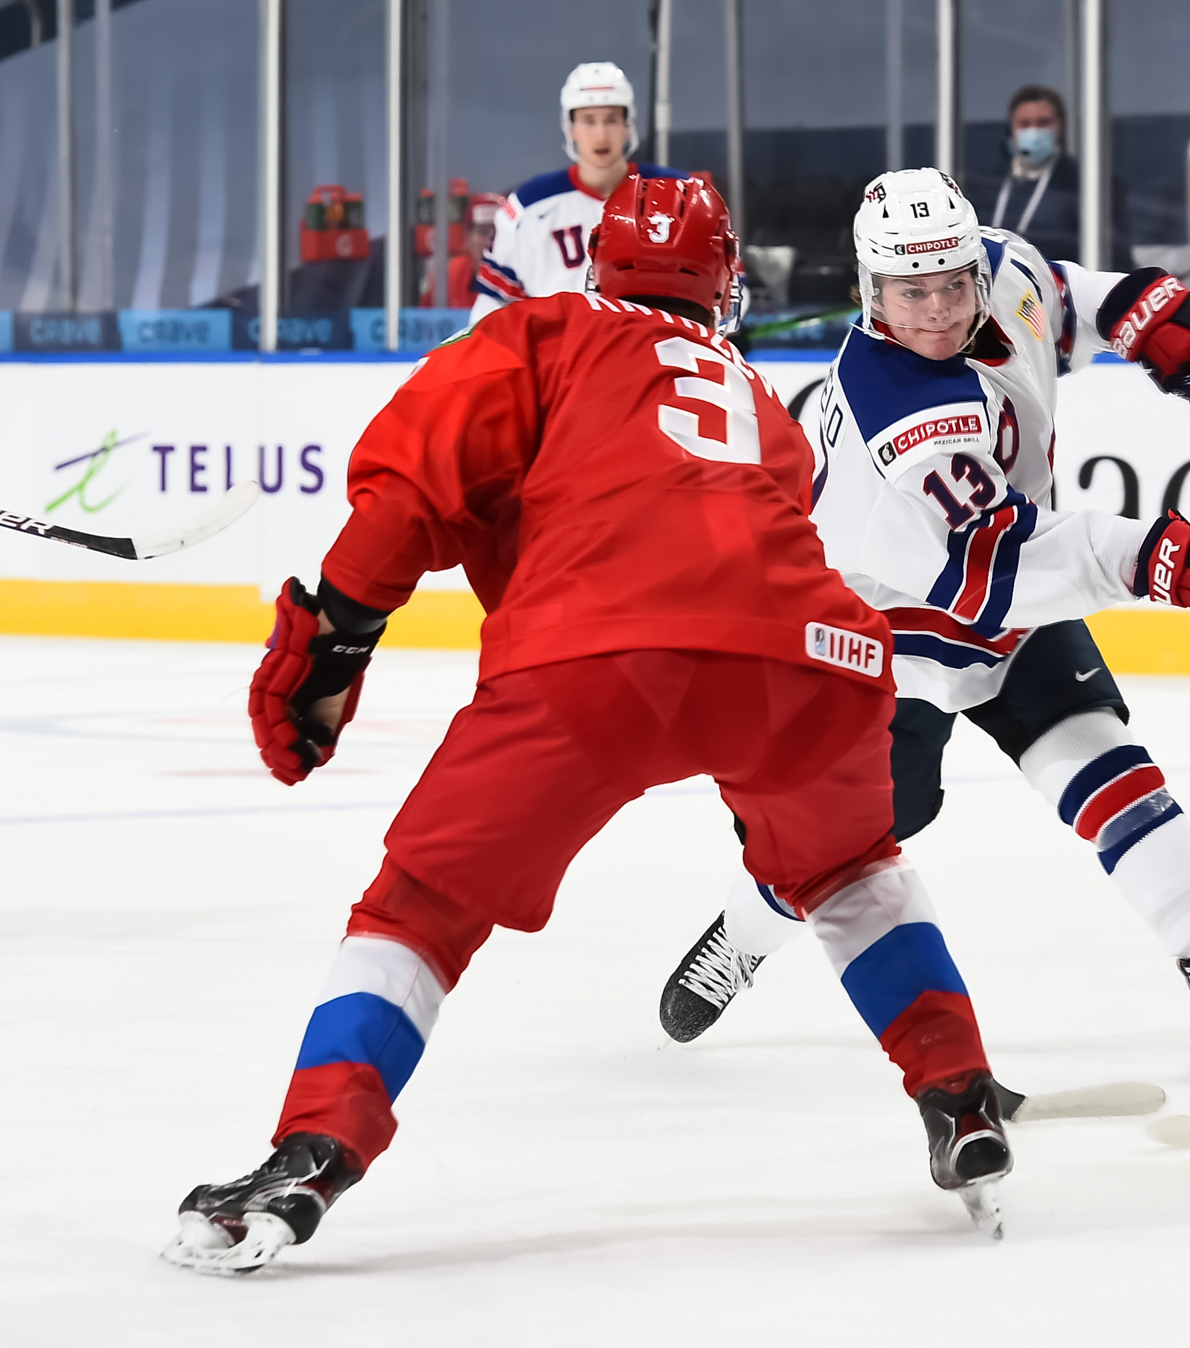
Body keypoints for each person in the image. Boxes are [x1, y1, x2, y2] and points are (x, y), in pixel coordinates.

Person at [161, 172, 1016, 1274]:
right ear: (721, 285)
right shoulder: (752, 394)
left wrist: (330, 637)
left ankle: (313, 1147)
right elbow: (721, 540)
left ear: (598, 267)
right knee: (850, 870)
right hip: (816, 660)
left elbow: (410, 494)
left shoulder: (543, 330)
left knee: (420, 907)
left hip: (601, 656)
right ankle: (960, 1095)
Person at [657, 166, 1190, 1064]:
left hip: (1006, 589)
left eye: (955, 283)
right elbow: (1004, 563)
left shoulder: (1002, 272)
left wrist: (1144, 310)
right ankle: (743, 936)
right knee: (857, 830)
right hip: (887, 621)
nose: (939, 309)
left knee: (1093, 749)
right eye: (912, 292)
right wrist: (1162, 559)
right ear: (872, 291)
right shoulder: (901, 409)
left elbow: (1064, 298)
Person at [470, 62, 685, 324]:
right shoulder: (528, 205)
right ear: (570, 128)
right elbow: (493, 304)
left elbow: (728, 286)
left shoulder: (678, 195)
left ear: (628, 125)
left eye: (611, 120)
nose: (601, 134)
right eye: (589, 121)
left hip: (655, 355)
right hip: (558, 359)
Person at [980, 84, 1134, 272]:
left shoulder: (1090, 184)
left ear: (1060, 126)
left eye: (1043, 123)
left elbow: (1115, 257)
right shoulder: (986, 186)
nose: (1033, 132)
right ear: (1011, 128)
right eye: (1025, 124)